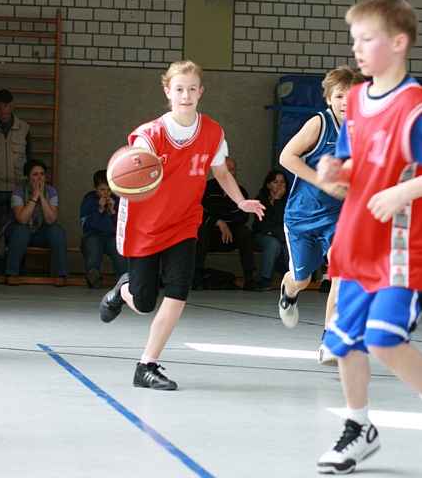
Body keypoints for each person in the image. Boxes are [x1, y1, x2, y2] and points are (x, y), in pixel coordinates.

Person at [99, 60, 264, 391]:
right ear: (167, 91)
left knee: (178, 290)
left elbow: (221, 172)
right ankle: (123, 288)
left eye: (192, 89)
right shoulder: (150, 135)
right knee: (144, 303)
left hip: (184, 223)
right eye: (179, 89)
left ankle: (147, 364)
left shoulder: (213, 132)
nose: (186, 95)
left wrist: (239, 201)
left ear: (200, 92)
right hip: (146, 224)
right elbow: (134, 165)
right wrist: (132, 169)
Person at [316, 0, 422, 474]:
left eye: (367, 39)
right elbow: (357, 161)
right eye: (354, 39)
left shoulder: (415, 106)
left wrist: (405, 192)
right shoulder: (356, 99)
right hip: (357, 239)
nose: (357, 49)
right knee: (343, 342)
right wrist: (336, 170)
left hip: (400, 248)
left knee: (383, 338)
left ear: (399, 43)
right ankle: (359, 428)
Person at [278, 65, 364, 362]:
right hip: (302, 215)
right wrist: (322, 181)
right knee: (302, 279)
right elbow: (286, 157)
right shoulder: (319, 124)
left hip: (340, 216)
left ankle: (329, 338)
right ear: (329, 98)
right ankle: (288, 292)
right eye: (340, 96)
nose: (345, 102)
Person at [193, 156, 257, 291]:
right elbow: (198, 212)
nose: (230, 173)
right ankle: (196, 278)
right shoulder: (207, 188)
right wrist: (218, 222)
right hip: (210, 236)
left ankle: (250, 279)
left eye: (233, 170)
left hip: (231, 236)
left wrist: (226, 223)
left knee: (244, 232)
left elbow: (242, 216)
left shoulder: (240, 191)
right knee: (201, 230)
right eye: (227, 169)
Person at [5, 159, 68, 285]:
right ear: (28, 177)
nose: (39, 177)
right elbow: (22, 219)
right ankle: (12, 273)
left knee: (57, 231)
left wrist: (42, 197)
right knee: (20, 230)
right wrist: (34, 197)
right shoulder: (18, 191)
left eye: (42, 174)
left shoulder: (51, 191)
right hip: (22, 231)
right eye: (35, 174)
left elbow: (51, 220)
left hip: (41, 232)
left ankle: (60, 274)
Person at [0, 89, 31, 275]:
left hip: (18, 189)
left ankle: (16, 269)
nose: (4, 110)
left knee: (18, 230)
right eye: (0, 106)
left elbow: (30, 160)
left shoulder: (24, 128)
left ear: (13, 105)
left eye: (7, 105)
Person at [80, 169, 128, 288]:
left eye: (109, 190)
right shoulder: (89, 200)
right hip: (92, 235)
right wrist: (100, 210)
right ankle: (93, 276)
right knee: (93, 246)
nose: (106, 193)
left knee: (119, 249)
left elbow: (122, 227)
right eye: (102, 190)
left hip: (112, 236)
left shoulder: (116, 200)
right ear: (95, 188)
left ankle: (124, 280)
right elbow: (85, 226)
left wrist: (112, 212)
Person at [252, 168, 289, 291]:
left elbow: (283, 222)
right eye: (275, 182)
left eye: (282, 182)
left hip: (280, 236)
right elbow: (262, 225)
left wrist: (278, 200)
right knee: (273, 243)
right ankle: (265, 279)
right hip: (261, 236)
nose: (279, 185)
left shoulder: (288, 201)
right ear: (268, 185)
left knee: (282, 242)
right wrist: (275, 232)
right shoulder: (260, 199)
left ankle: (291, 277)